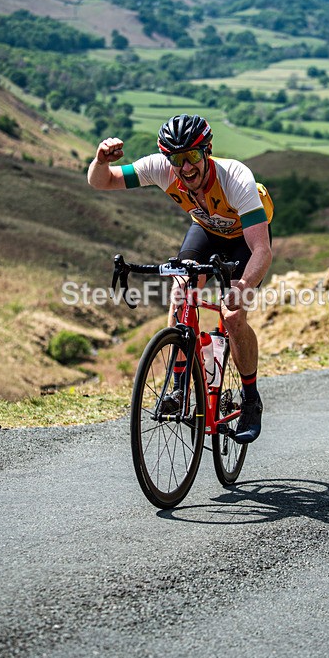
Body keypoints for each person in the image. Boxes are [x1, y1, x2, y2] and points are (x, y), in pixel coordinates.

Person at [88, 114, 273, 444]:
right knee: (181, 293)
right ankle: (178, 389)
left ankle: (250, 399)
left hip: (243, 240)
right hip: (206, 231)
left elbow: (262, 250)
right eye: (176, 159)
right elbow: (103, 181)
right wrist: (100, 160)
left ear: (207, 151)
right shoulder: (160, 169)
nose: (185, 167)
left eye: (191, 157)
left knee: (232, 316)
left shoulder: (236, 178)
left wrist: (242, 286)